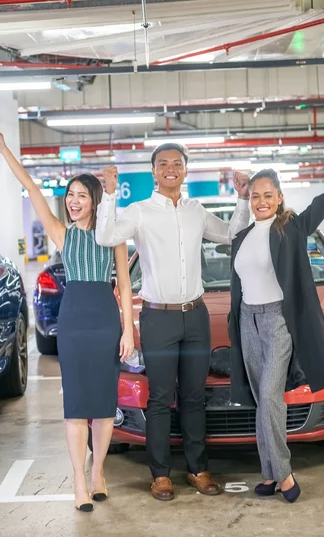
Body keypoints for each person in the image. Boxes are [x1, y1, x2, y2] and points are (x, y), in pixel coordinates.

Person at [96, 142, 250, 501]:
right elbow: (106, 236)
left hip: (194, 315)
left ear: (185, 170)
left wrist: (242, 199)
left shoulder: (196, 210)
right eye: (162, 163)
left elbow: (231, 235)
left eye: (177, 163)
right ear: (153, 172)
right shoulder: (140, 211)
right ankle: (160, 475)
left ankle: (197, 469)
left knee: (195, 397)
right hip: (158, 317)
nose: (170, 168)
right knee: (161, 399)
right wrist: (109, 195)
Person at [0, 129, 134, 513]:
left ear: (94, 201)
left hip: (106, 320)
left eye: (81, 196)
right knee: (76, 407)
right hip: (73, 323)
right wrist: (5, 150)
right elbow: (33, 191)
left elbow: (124, 285)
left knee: (103, 408)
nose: (73, 201)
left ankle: (98, 470)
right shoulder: (61, 234)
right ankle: (79, 483)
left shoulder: (113, 237)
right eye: (70, 195)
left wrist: (129, 333)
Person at [229, 168, 324, 504]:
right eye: (255, 196)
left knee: (271, 396)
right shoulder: (243, 236)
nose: (261, 201)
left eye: (267, 195)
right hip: (248, 320)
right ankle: (268, 473)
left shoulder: (291, 227)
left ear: (279, 197)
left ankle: (284, 473)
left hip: (278, 319)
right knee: (263, 400)